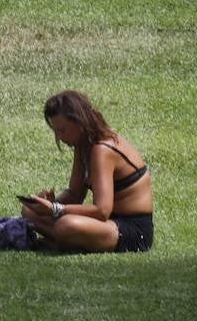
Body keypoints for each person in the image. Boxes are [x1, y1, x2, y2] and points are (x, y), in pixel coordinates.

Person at [20, 90, 154, 253]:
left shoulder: (102, 150)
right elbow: (75, 194)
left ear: (79, 122)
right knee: (29, 212)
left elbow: (102, 211)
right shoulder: (83, 144)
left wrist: (55, 209)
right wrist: (45, 206)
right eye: (55, 131)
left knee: (66, 225)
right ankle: (67, 241)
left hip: (132, 231)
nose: (59, 137)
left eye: (62, 130)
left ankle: (64, 241)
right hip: (107, 224)